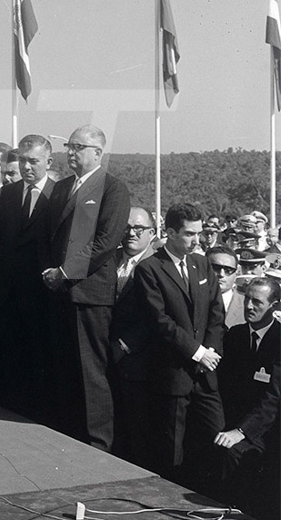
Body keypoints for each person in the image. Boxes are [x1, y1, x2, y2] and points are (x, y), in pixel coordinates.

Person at [43, 124, 130, 452]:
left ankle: (98, 442)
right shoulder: (62, 187)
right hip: (59, 290)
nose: (71, 152)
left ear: (98, 153)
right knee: (64, 366)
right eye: (69, 146)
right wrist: (53, 275)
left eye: (79, 147)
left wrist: (65, 272)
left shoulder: (113, 188)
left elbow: (106, 242)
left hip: (89, 292)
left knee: (92, 369)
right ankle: (68, 431)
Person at [135, 203, 225, 489]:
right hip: (173, 377)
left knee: (217, 438)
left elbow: (216, 313)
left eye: (199, 233)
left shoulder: (202, 263)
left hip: (205, 376)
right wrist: (197, 353)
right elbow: (159, 321)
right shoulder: (149, 269)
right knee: (171, 452)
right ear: (170, 232)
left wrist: (208, 353)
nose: (197, 240)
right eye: (189, 234)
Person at [0, 135, 56, 418]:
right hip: (8, 291)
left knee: (40, 356)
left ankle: (39, 411)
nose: (27, 167)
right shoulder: (7, 194)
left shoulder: (59, 194)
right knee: (10, 353)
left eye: (34, 161)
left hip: (43, 294)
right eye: (23, 161)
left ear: (48, 162)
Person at [215, 277, 280, 520]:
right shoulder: (235, 335)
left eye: (257, 302)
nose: (249, 306)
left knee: (234, 455)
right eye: (247, 299)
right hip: (233, 420)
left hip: (265, 430)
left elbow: (273, 399)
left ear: (274, 306)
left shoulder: (279, 341)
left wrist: (240, 431)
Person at [109, 207, 157, 466]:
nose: (131, 233)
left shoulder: (159, 265)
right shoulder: (108, 259)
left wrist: (125, 345)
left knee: (137, 431)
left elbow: (158, 315)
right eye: (127, 227)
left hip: (140, 360)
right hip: (104, 354)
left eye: (139, 228)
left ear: (152, 232)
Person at [206, 246, 244, 329]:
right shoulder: (189, 300)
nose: (221, 274)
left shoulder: (247, 305)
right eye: (215, 268)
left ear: (236, 273)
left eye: (228, 270)